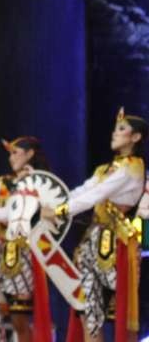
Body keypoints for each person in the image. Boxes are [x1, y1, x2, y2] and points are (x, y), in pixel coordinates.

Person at [44, 109, 146, 342]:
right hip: (93, 242)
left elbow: (97, 195)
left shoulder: (133, 167)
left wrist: (60, 211)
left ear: (136, 137)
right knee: (88, 311)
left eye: (121, 129)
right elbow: (85, 190)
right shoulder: (105, 169)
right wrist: (55, 202)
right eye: (115, 128)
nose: (114, 133)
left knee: (121, 315)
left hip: (116, 246)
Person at [0, 137, 52, 342]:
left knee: (19, 320)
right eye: (10, 153)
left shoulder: (37, 181)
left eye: (15, 152)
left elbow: (12, 213)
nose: (11, 158)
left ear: (30, 153)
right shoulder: (4, 181)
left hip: (21, 255)